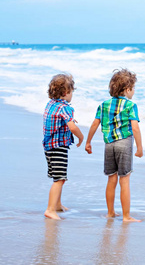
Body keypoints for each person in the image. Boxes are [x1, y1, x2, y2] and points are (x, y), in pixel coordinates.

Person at [85, 68, 143, 222]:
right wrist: (139, 148)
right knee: (124, 179)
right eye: (133, 88)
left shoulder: (104, 105)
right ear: (127, 89)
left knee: (112, 179)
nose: (134, 91)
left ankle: (110, 212)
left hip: (109, 144)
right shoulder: (131, 106)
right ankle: (126, 216)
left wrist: (88, 141)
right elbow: (135, 128)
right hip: (124, 143)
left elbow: (94, 124)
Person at [43, 73, 84, 220]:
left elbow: (57, 120)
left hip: (48, 146)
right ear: (66, 92)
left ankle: (58, 204)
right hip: (59, 147)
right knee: (59, 179)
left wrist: (71, 122)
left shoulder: (51, 104)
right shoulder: (65, 108)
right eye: (72, 92)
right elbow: (72, 127)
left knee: (58, 177)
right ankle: (50, 209)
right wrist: (81, 137)